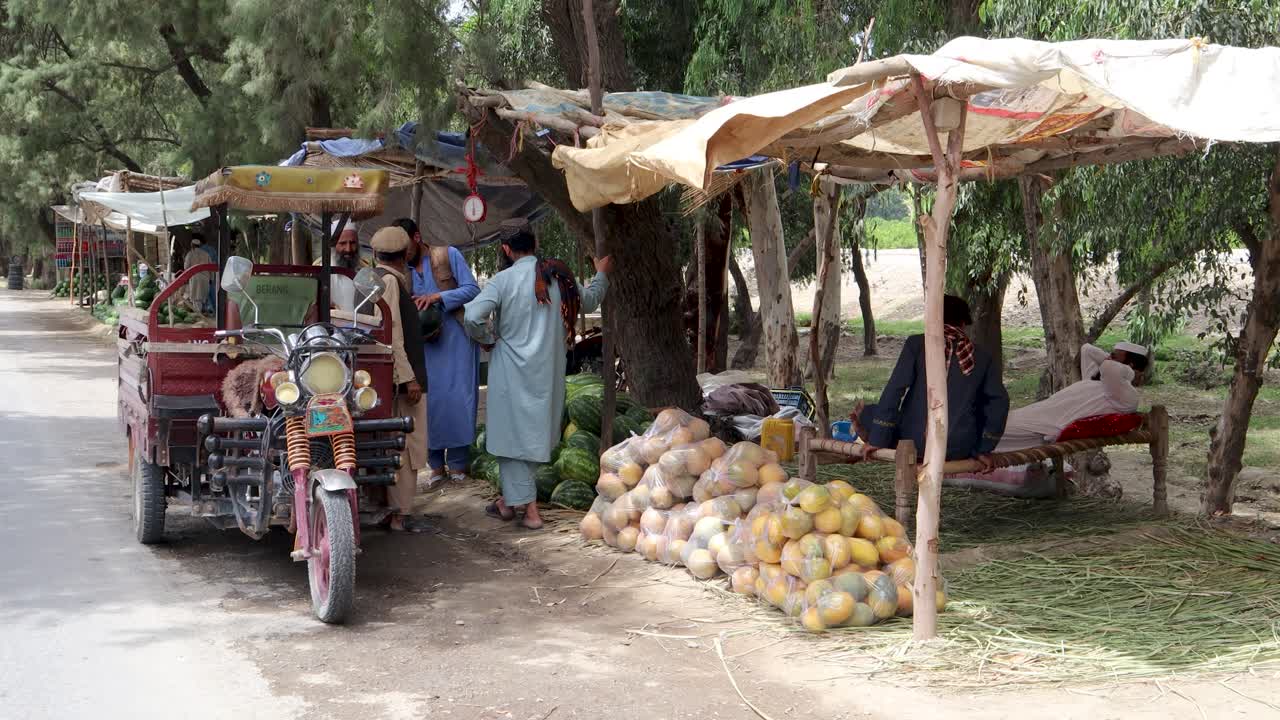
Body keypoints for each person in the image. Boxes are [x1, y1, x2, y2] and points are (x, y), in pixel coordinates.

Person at [463, 219, 611, 529]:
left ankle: (530, 512)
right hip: (547, 371)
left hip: (509, 371)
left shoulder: (502, 281)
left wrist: (488, 339)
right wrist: (601, 273)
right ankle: (508, 503)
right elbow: (590, 300)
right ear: (535, 243)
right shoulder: (557, 276)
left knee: (509, 438)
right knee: (532, 436)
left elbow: (473, 315)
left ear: (506, 249)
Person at [852, 295, 1009, 470]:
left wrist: (877, 439)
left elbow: (895, 390)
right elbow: (999, 403)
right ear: (964, 323)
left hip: (915, 443)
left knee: (869, 412)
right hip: (959, 447)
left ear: (932, 318)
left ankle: (874, 434)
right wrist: (984, 448)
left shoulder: (917, 344)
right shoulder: (981, 356)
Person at [396, 218, 483, 487]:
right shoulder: (401, 270)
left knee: (458, 400)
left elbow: (472, 289)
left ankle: (457, 464)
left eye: (406, 246)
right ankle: (435, 466)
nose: (404, 253)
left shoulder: (447, 255)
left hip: (456, 340)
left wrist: (438, 298)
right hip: (423, 347)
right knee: (428, 402)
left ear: (417, 237)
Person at [369, 227, 429, 532]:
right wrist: (408, 379)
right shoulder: (391, 282)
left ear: (374, 253)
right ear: (405, 255)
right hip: (401, 383)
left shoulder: (373, 279)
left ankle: (389, 509)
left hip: (384, 380)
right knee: (406, 446)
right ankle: (400, 514)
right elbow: (392, 335)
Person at [995, 341, 1148, 452]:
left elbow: (1109, 367)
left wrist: (1130, 372)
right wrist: (1116, 359)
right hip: (1037, 413)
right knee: (992, 421)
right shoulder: (1097, 380)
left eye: (1114, 356)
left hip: (1046, 425)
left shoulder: (1125, 395)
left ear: (1130, 365)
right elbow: (1087, 349)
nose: (1108, 358)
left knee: (991, 430)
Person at [182, 234, 212, 312]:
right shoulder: (206, 254)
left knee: (196, 298)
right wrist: (211, 279)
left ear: (192, 245)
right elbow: (211, 267)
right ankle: (203, 312)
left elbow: (186, 267)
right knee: (203, 297)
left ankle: (199, 314)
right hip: (205, 278)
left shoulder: (190, 254)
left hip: (195, 278)